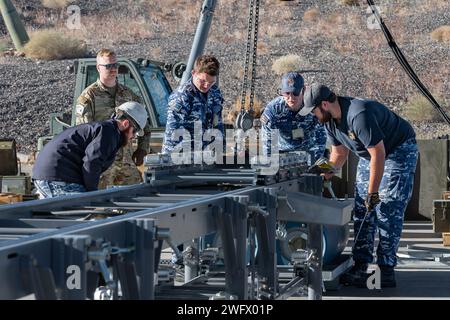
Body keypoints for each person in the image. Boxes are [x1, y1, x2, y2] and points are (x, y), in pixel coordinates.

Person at [300, 84, 418, 288]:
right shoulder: (329, 122)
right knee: (363, 209)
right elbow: (339, 154)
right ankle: (361, 264)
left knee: (387, 209)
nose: (313, 116)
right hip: (370, 154)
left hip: (397, 151)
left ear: (325, 104)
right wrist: (322, 174)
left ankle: (385, 271)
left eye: (313, 111)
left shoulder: (358, 114)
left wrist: (373, 193)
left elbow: (379, 154)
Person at [33, 102, 148, 198]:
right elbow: (92, 163)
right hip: (57, 177)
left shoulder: (107, 130)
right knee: (85, 215)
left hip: (50, 175)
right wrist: (92, 194)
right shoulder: (108, 133)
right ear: (125, 123)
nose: (133, 136)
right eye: (134, 131)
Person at [75, 48, 151, 188]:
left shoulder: (129, 95)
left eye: (115, 65)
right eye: (108, 66)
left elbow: (145, 123)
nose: (113, 69)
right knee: (102, 205)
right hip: (103, 164)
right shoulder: (88, 97)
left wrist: (143, 148)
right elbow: (85, 134)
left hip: (127, 162)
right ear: (98, 67)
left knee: (136, 198)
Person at [162, 54, 224, 155]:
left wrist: (220, 148)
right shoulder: (181, 97)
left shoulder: (215, 93)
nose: (206, 85)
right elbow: (173, 133)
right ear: (193, 73)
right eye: (203, 81)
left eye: (211, 82)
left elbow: (218, 122)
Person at [261, 72, 326, 161]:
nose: (291, 98)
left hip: (310, 152)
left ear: (303, 90)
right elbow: (268, 140)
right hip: (283, 154)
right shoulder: (273, 110)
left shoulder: (313, 107)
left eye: (295, 92)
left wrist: (317, 161)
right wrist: (270, 163)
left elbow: (321, 136)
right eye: (287, 93)